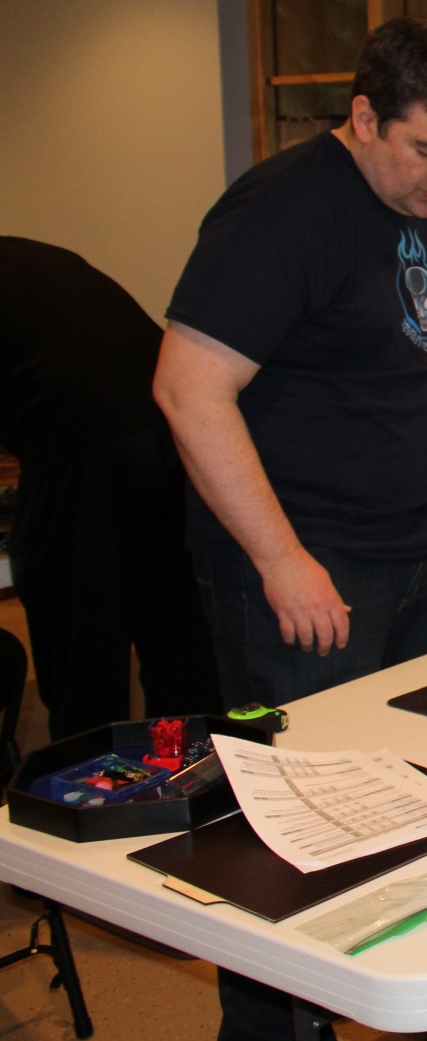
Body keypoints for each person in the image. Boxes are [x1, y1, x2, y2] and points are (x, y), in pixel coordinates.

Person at [153, 17, 427, 1041]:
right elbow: (188, 390)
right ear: (363, 116)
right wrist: (281, 560)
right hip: (303, 569)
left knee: (400, 803)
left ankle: (371, 1000)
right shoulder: (281, 212)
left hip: (408, 556)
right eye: (426, 149)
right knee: (292, 827)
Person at [0, 237, 223, 740]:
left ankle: (88, 767)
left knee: (80, 632)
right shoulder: (31, 258)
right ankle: (192, 762)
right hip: (173, 425)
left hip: (86, 442)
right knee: (177, 630)